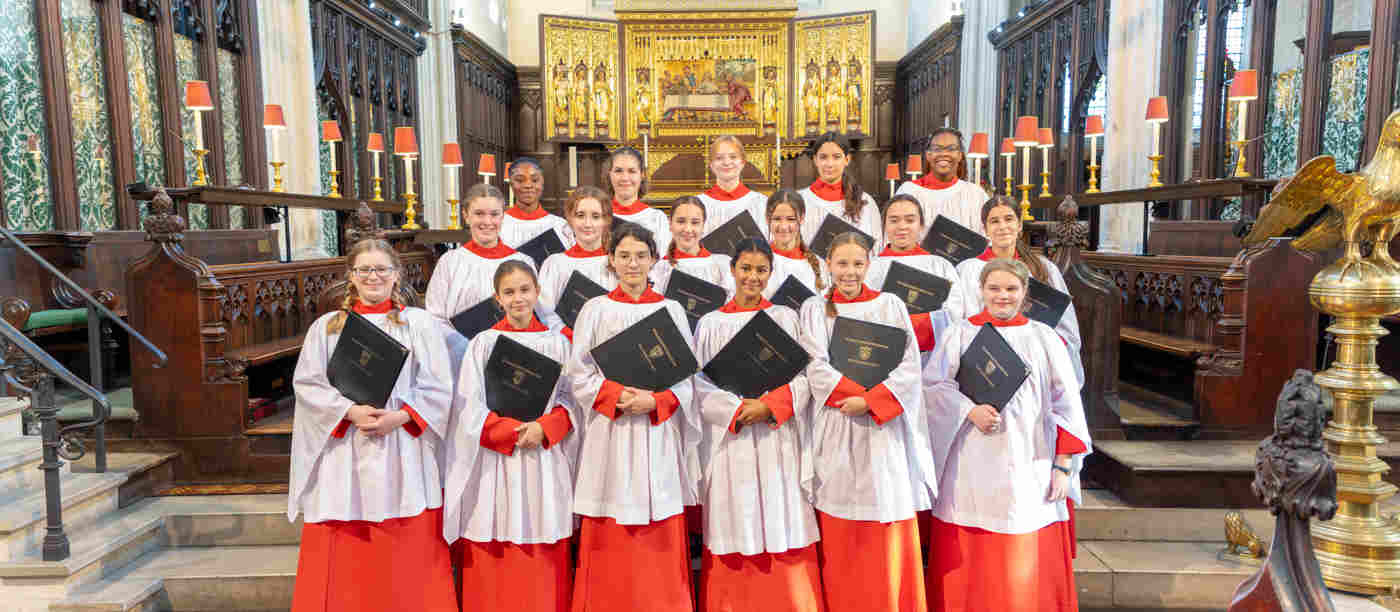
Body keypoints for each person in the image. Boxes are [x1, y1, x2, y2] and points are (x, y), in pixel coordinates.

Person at [289, 239, 456, 612]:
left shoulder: (419, 324)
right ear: (351, 276)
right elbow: (308, 385)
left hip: (403, 444)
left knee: (406, 537)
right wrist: (349, 412)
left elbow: (440, 385)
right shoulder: (327, 328)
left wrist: (400, 416)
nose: (373, 277)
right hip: (346, 446)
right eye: (364, 269)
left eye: (381, 269)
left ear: (396, 275)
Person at [921, 258, 1091, 612]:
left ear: (1025, 293)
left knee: (1024, 555)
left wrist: (1062, 465)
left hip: (1030, 460)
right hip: (970, 464)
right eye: (994, 288)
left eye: (1011, 289)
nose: (1002, 296)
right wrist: (969, 409)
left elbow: (1067, 405)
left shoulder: (1044, 337)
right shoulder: (960, 334)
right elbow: (933, 387)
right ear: (980, 291)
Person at [798, 232, 936, 612]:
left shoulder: (890, 304)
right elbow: (814, 365)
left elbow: (910, 366)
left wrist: (871, 401)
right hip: (837, 423)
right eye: (841, 263)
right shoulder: (814, 309)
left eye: (857, 263)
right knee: (840, 515)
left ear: (869, 264)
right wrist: (852, 398)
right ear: (828, 264)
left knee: (885, 509)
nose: (849, 271)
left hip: (881, 427)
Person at [566, 224, 701, 612]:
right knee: (610, 517)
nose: (632, 263)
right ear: (611, 259)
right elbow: (579, 374)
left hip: (655, 432)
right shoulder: (595, 309)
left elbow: (688, 377)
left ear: (654, 260)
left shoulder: (670, 309)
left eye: (641, 255)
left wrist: (657, 401)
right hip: (611, 430)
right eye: (624, 255)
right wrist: (620, 396)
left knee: (658, 519)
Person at [692, 238, 823, 612]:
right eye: (745, 268)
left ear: (771, 274)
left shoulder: (785, 318)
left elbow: (805, 376)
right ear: (732, 270)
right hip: (731, 438)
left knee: (782, 511)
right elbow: (699, 384)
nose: (752, 276)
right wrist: (734, 410)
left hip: (775, 433)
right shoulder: (711, 323)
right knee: (736, 513)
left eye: (761, 270)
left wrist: (770, 406)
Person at [443, 261, 579, 612]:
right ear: (497, 298)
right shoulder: (484, 343)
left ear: (537, 292)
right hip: (498, 458)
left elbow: (572, 402)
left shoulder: (558, 344)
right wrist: (509, 433)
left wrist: (543, 429)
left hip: (544, 455)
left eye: (524, 290)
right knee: (495, 530)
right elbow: (468, 405)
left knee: (545, 531)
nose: (518, 298)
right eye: (509, 292)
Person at [954, 196, 1084, 386]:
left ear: (1020, 224)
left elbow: (1066, 327)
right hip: (986, 362)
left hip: (1033, 361)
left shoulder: (1043, 268)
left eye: (1008, 219)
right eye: (994, 221)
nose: (1002, 226)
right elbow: (959, 321)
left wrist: (1045, 347)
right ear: (985, 229)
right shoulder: (967, 270)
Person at [424, 184, 539, 363]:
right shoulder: (450, 262)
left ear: (503, 216)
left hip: (511, 356)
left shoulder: (523, 262)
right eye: (479, 214)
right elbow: (434, 317)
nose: (487, 221)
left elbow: (535, 312)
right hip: (461, 356)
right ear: (466, 216)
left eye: (494, 214)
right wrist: (464, 346)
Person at [866, 194, 967, 356]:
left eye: (910, 220)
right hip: (885, 351)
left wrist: (916, 324)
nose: (902, 226)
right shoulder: (870, 267)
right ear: (884, 225)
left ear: (921, 225)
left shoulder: (940, 265)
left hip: (932, 353)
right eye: (894, 220)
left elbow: (954, 312)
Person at [537, 186, 617, 341]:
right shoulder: (555, 264)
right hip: (567, 345)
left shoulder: (617, 263)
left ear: (606, 220)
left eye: (595, 216)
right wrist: (569, 335)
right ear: (570, 219)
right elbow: (545, 310)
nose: (587, 224)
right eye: (580, 215)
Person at [896, 128, 988, 238]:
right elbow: (896, 235)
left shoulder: (976, 194)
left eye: (951, 149)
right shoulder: (909, 191)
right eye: (937, 149)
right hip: (919, 256)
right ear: (928, 155)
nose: (944, 153)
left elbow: (987, 236)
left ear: (960, 155)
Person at [798, 132, 882, 249]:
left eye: (836, 157)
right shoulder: (800, 200)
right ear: (815, 160)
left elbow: (875, 247)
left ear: (847, 159)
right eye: (823, 157)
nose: (829, 164)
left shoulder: (865, 201)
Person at [651, 195, 734, 296]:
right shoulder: (660, 269)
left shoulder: (723, 265)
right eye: (681, 221)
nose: (688, 229)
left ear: (703, 226)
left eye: (695, 223)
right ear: (670, 224)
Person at [696, 136, 768, 240]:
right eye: (719, 158)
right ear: (711, 164)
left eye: (733, 157)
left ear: (743, 162)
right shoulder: (699, 203)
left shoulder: (760, 203)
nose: (726, 162)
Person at [763, 189, 827, 299]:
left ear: (801, 219)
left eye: (790, 219)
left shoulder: (817, 264)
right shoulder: (757, 259)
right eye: (777, 219)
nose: (783, 226)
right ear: (768, 219)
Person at [607, 146, 672, 251]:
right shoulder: (598, 216)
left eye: (632, 171)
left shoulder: (657, 219)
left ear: (642, 175)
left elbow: (663, 262)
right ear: (610, 174)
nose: (625, 178)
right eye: (618, 171)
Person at [501, 157, 574, 250]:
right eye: (519, 180)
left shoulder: (560, 226)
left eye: (535, 180)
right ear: (511, 184)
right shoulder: (498, 224)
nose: (528, 185)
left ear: (542, 183)